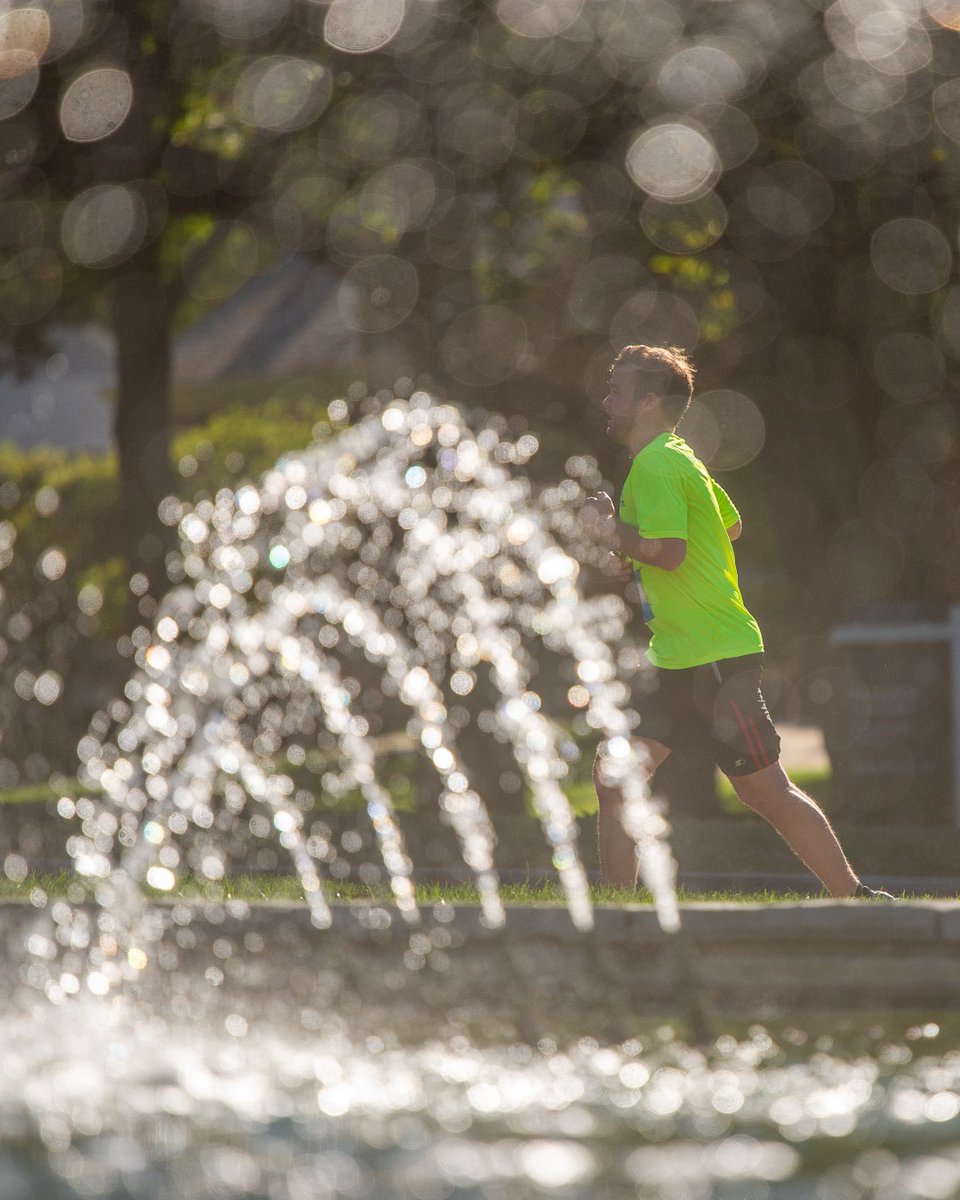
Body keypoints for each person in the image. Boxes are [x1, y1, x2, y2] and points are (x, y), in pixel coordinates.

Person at [580, 343, 891, 900]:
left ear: (649, 401)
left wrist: (616, 534)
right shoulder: (678, 456)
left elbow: (671, 552)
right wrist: (631, 548)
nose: (606, 401)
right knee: (614, 773)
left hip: (714, 656)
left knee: (765, 790)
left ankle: (854, 896)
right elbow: (730, 526)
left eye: (616, 391)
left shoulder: (656, 464)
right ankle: (617, 910)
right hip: (678, 655)